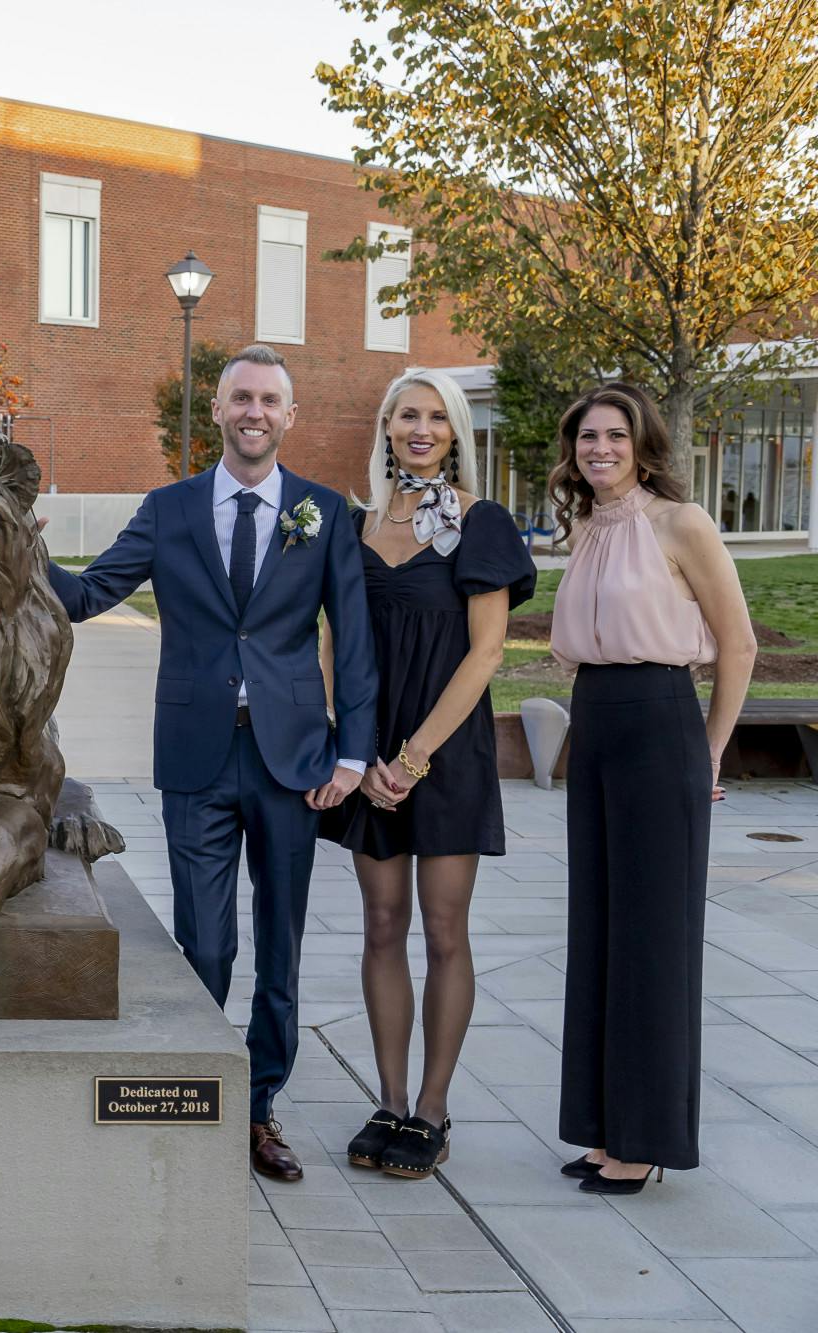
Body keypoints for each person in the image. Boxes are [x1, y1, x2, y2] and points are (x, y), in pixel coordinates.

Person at [43, 344, 376, 1181]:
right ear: (219, 410)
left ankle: (259, 1108)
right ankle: (199, 1087)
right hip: (197, 753)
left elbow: (355, 642)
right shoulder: (170, 508)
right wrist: (16, 544)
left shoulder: (323, 512)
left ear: (289, 415)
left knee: (281, 942)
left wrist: (354, 751)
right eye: (240, 398)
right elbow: (86, 596)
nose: (254, 412)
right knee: (205, 941)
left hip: (294, 759)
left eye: (269, 399)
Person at [320, 370, 535, 1180]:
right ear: (384, 426)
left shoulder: (481, 524)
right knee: (382, 926)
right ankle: (389, 1097)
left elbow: (487, 654)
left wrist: (413, 760)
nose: (420, 427)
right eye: (406, 414)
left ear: (456, 433)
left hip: (444, 755)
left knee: (444, 931)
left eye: (436, 417)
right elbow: (336, 642)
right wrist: (356, 750)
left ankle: (433, 1110)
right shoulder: (354, 522)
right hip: (370, 757)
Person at [549, 382, 754, 1194]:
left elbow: (737, 646)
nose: (600, 448)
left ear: (643, 444)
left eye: (615, 436)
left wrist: (707, 753)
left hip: (661, 720)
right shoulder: (587, 528)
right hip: (596, 719)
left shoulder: (682, 523)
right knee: (598, 928)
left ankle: (648, 1137)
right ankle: (604, 1124)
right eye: (588, 437)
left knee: (653, 941)